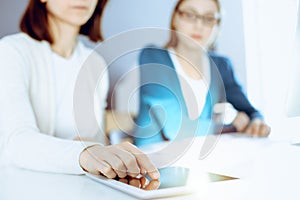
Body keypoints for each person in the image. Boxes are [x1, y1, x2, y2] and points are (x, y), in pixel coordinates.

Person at [0, 0, 159, 180]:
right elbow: (17, 143)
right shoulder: (12, 51)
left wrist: (112, 155)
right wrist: (85, 152)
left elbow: (96, 142)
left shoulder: (94, 63)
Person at [134, 0, 270, 146]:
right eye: (190, 15)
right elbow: (177, 129)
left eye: (209, 18)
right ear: (175, 19)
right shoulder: (153, 58)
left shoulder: (222, 66)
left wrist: (256, 121)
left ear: (217, 27)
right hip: (152, 163)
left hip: (199, 159)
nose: (199, 25)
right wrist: (232, 126)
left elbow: (250, 111)